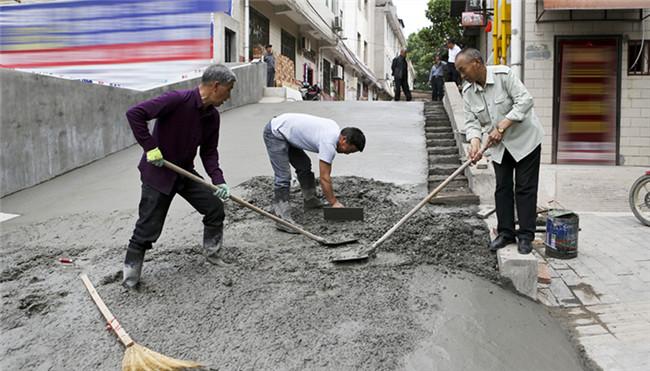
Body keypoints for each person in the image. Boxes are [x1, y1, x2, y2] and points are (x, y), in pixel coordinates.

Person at [122, 64, 237, 288]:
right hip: (158, 174)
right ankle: (130, 277)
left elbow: (209, 152)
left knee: (214, 208)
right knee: (147, 228)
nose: (229, 96)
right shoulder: (177, 100)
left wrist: (218, 180)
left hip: (184, 174)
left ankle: (213, 255)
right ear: (216, 86)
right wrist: (150, 147)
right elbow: (135, 114)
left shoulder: (212, 117)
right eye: (229, 89)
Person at [457, 47, 544, 255]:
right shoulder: (468, 91)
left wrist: (502, 126)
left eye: (463, 69)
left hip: (525, 141)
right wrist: (475, 142)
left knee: (525, 188)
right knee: (502, 187)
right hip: (501, 146)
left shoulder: (503, 75)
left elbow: (525, 101)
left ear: (476, 62)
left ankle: (525, 236)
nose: (462, 75)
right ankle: (505, 233)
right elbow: (471, 122)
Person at [263, 113, 365, 232]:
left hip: (287, 132)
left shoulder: (334, 130)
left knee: (304, 165)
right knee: (283, 176)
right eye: (350, 150)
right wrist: (334, 203)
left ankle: (310, 200)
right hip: (275, 133)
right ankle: (282, 220)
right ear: (343, 139)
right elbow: (324, 177)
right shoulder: (329, 143)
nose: (347, 154)